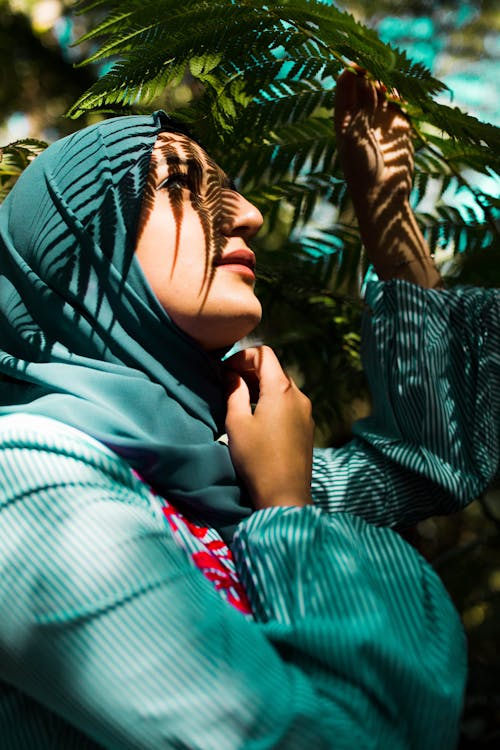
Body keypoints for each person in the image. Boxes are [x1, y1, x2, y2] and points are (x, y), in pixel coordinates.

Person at [0, 69, 498, 749]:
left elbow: (428, 463)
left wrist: (388, 215)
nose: (246, 214)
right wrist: (287, 515)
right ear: (80, 247)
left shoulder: (209, 465)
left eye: (229, 187)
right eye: (181, 184)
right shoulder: (28, 485)